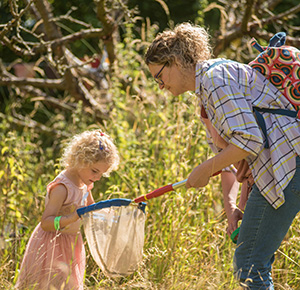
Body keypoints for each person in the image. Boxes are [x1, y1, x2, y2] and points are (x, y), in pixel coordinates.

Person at [145, 22, 300, 289]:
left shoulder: (216, 79)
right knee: (253, 260)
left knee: (250, 263)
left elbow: (249, 141)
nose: (160, 86)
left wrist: (203, 170)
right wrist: (237, 206)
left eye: (159, 76)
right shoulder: (205, 94)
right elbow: (238, 159)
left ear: (175, 62)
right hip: (277, 170)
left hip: (287, 165)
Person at [15, 129, 120, 290]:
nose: (98, 177)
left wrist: (110, 213)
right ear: (81, 160)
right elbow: (46, 223)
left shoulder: (86, 183)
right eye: (94, 171)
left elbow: (91, 208)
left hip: (71, 243)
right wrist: (70, 218)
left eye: (102, 174)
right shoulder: (62, 187)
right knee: (47, 285)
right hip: (51, 244)